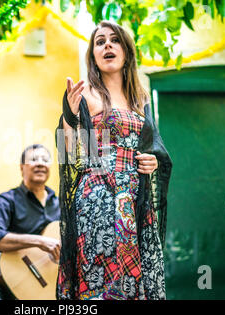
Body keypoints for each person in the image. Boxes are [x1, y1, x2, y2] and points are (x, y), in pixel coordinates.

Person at [56, 21, 172, 300]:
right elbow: (67, 154)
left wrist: (151, 162)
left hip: (135, 199)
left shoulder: (140, 97)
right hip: (98, 198)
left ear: (126, 51)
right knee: (103, 280)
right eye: (100, 42)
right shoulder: (85, 93)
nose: (107, 45)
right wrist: (70, 116)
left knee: (137, 281)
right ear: (93, 55)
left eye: (114, 40)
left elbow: (151, 149)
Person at [0, 144, 61, 300]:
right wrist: (39, 241)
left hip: (48, 288)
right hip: (9, 281)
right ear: (22, 167)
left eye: (45, 159)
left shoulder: (61, 204)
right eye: (33, 159)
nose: (40, 163)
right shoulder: (7, 200)